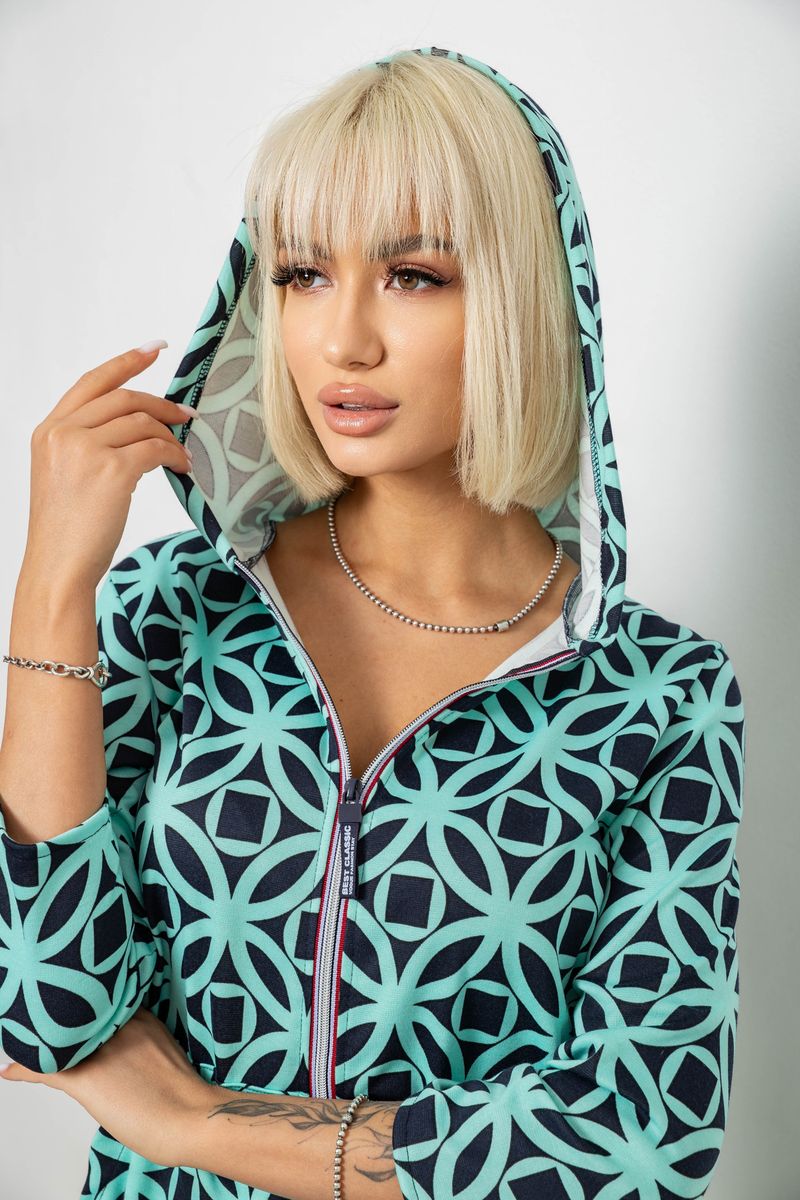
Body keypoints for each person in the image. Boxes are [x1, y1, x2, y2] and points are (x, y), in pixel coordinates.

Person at [0, 44, 745, 1200]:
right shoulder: (168, 614)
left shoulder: (657, 695)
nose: (342, 340)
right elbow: (49, 1014)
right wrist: (54, 587)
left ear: (520, 295)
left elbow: (637, 1142)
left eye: (411, 275)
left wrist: (196, 1124)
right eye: (302, 274)